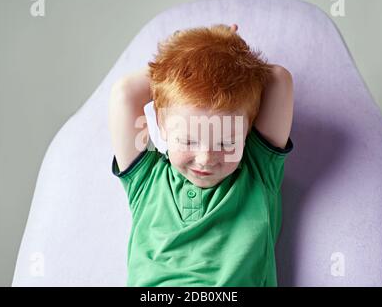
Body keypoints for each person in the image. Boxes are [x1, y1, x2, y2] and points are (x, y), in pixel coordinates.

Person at [108, 23, 294, 286]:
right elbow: (124, 93)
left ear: (246, 132)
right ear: (161, 125)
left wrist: (227, 50)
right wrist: (179, 60)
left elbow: (278, 79)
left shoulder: (257, 172)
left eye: (226, 142)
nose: (206, 158)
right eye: (187, 140)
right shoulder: (148, 179)